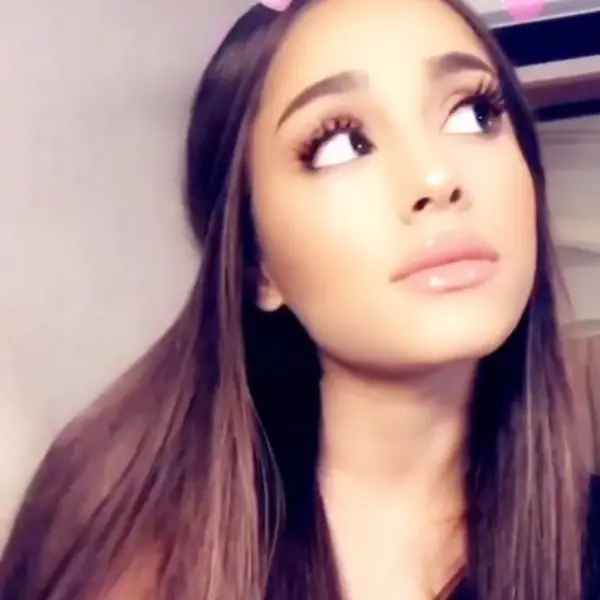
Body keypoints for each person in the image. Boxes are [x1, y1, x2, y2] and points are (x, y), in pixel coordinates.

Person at [0, 0, 597, 598]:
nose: (437, 178)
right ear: (257, 262)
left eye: (474, 113)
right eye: (342, 144)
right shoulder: (129, 557)